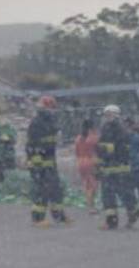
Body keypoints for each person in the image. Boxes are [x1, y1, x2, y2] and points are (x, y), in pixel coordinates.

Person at [26, 96, 70, 228]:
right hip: (39, 163)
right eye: (51, 108)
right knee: (41, 191)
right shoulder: (37, 122)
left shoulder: (50, 122)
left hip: (50, 162)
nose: (52, 111)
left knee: (56, 189)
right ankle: (37, 219)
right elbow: (31, 144)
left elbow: (51, 143)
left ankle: (59, 215)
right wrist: (37, 162)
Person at [96, 105, 139, 230]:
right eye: (106, 115)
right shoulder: (110, 128)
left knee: (120, 194)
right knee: (110, 196)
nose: (107, 117)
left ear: (116, 115)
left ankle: (130, 213)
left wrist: (103, 150)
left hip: (116, 168)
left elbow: (117, 148)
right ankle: (113, 220)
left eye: (109, 114)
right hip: (111, 168)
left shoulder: (117, 129)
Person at [75, 118, 100, 215]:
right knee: (93, 185)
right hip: (91, 161)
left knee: (87, 184)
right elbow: (98, 149)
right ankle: (91, 206)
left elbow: (76, 152)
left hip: (81, 162)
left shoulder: (78, 138)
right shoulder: (93, 137)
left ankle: (90, 205)